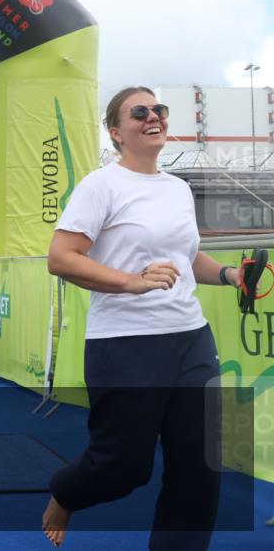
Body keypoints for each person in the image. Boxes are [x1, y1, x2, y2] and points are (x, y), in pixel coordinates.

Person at [42, 87, 241, 549]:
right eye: (140, 111)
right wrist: (131, 281)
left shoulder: (178, 188)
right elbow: (61, 258)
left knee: (201, 468)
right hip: (126, 343)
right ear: (116, 131)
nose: (154, 116)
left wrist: (229, 273)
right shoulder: (101, 185)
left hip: (191, 339)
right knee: (123, 467)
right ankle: (65, 493)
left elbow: (185, 259)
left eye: (159, 110)